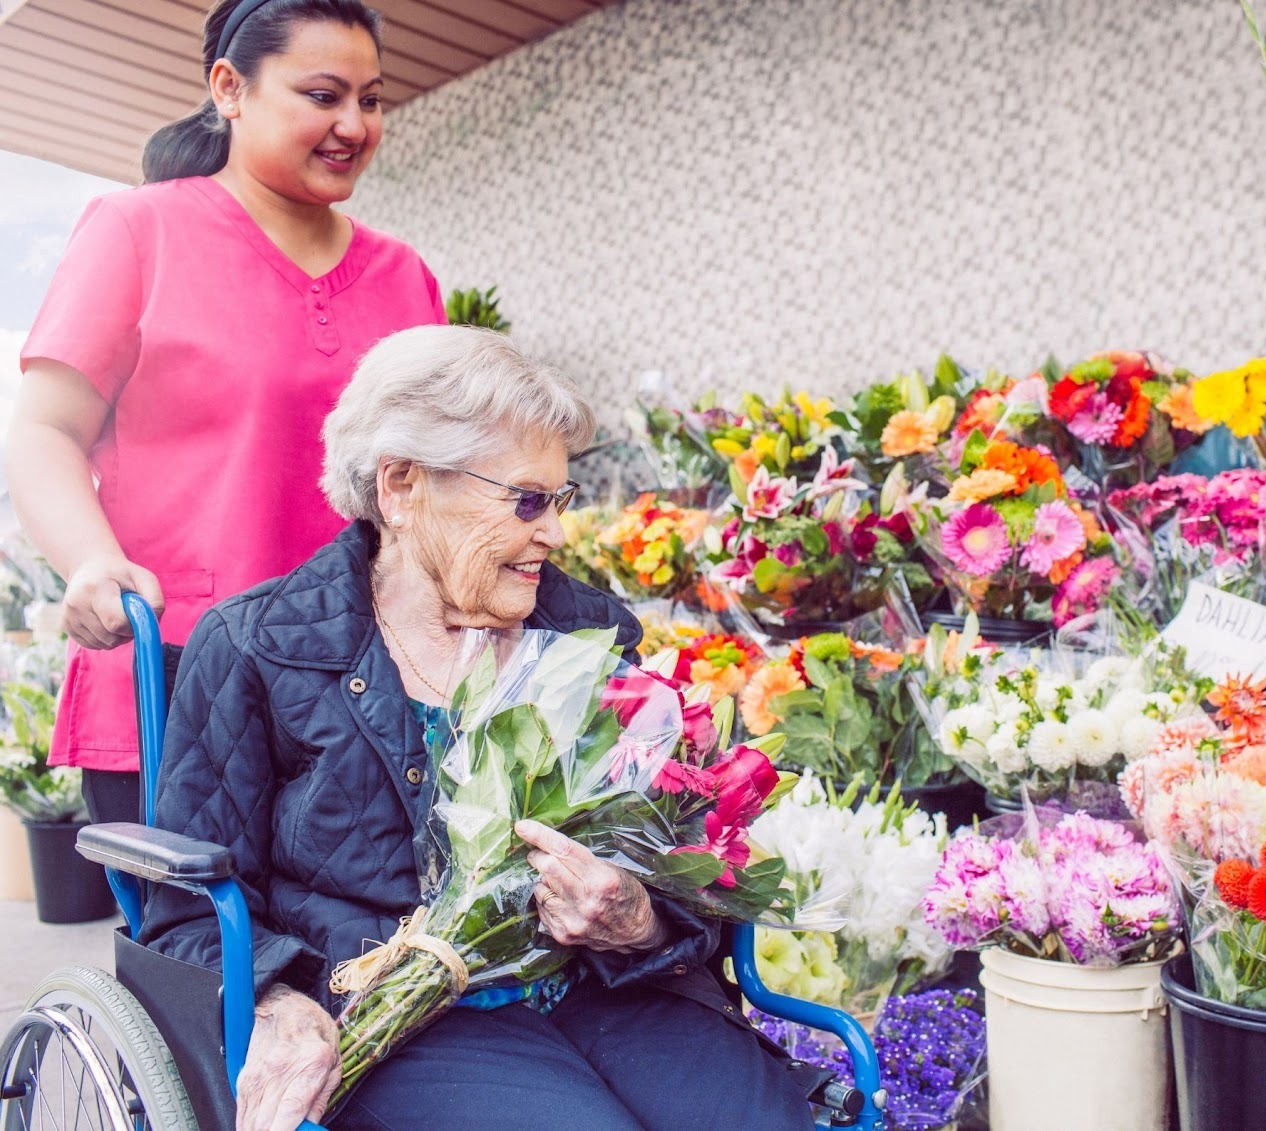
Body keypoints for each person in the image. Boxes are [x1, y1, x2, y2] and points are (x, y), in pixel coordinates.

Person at [140, 326, 823, 1131]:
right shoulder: (260, 646)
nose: (556, 534)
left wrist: (640, 915)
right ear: (400, 486)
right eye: (527, 500)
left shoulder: (588, 632)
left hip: (600, 986)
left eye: (560, 501)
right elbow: (182, 915)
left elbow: (679, 864)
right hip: (405, 1015)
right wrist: (277, 999)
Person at [6, 0, 444, 825]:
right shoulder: (140, 231)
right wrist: (90, 563)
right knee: (202, 949)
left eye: (371, 99)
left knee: (368, 950)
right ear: (229, 89)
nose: (354, 123)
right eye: (323, 95)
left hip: (370, 685)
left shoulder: (405, 275)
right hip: (178, 671)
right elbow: (43, 430)